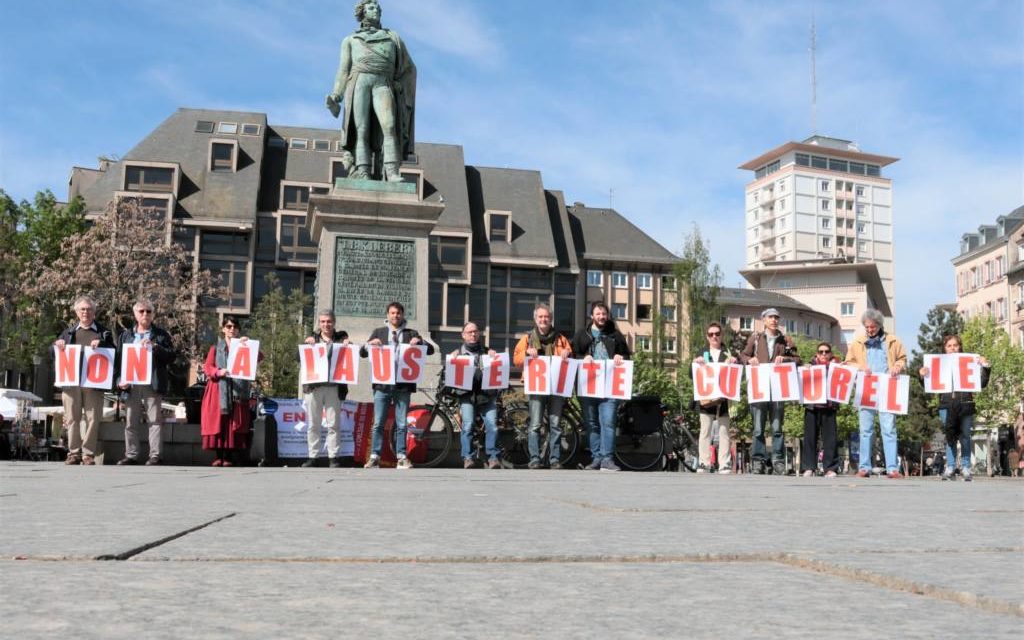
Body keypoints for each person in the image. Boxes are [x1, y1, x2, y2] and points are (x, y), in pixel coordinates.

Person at [326, 0, 416, 182]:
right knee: (362, 129)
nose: (377, 10)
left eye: (378, 8)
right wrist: (337, 94)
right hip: (360, 82)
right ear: (363, 12)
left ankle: (392, 172)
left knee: (389, 126)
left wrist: (400, 83)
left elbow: (409, 68)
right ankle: (363, 172)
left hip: (383, 83)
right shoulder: (350, 40)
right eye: (372, 7)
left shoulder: (393, 38)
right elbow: (343, 70)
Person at [361, 301, 433, 469]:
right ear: (388, 315)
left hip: (402, 385)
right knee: (378, 423)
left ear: (402, 315)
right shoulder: (378, 332)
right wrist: (369, 344)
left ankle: (402, 456)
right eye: (392, 313)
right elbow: (362, 353)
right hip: (382, 385)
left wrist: (420, 342)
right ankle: (374, 456)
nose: (395, 316)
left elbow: (429, 350)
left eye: (398, 313)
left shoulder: (411, 333)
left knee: (401, 424)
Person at [918, 334, 991, 482]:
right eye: (949, 346)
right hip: (946, 405)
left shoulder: (968, 363)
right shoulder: (939, 365)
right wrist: (922, 375)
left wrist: (985, 367)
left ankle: (965, 467)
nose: (952, 348)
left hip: (965, 404)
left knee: (965, 436)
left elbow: (982, 383)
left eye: (955, 345)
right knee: (950, 436)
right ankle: (950, 467)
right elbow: (928, 385)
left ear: (960, 347)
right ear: (945, 349)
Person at [845, 308, 907, 479]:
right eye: (867, 327)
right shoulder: (857, 342)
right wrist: (860, 367)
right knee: (865, 430)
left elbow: (902, 358)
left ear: (879, 325)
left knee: (889, 428)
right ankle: (864, 467)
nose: (870, 330)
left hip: (888, 387)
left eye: (873, 327)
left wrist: (897, 366)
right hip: (867, 387)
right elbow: (848, 362)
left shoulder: (893, 340)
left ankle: (892, 468)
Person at [739, 308, 802, 475]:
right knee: (758, 428)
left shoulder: (785, 340)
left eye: (776, 317)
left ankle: (778, 461)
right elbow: (742, 356)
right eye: (771, 317)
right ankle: (758, 461)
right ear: (764, 320)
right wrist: (750, 360)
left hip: (778, 389)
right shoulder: (756, 338)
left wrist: (786, 358)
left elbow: (798, 360)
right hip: (759, 388)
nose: (774, 320)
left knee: (777, 428)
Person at [54, 296, 116, 465]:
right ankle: (73, 453)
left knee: (93, 419)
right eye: (82, 309)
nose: (85, 312)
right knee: (72, 418)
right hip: (71, 382)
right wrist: (57, 344)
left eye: (89, 309)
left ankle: (88, 454)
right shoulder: (68, 333)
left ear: (94, 312)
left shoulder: (104, 332)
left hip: (94, 383)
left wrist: (102, 343)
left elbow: (114, 353)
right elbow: (53, 353)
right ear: (76, 312)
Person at [115, 299, 176, 466]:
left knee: (154, 420)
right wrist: (119, 381)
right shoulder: (126, 335)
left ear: (153, 314)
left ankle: (155, 455)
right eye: (141, 311)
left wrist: (155, 346)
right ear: (135, 314)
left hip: (152, 382)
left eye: (148, 311)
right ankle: (131, 455)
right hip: (131, 384)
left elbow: (172, 356)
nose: (145, 314)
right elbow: (118, 362)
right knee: (130, 421)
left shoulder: (161, 334)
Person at [513, 304, 573, 469]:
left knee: (555, 425)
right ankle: (534, 459)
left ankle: (554, 460)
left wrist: (567, 353)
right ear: (535, 319)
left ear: (551, 319)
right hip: (537, 386)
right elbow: (516, 359)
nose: (543, 319)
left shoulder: (561, 338)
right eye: (540, 317)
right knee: (535, 425)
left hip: (556, 386)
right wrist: (526, 353)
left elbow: (570, 356)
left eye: (546, 317)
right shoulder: (527, 339)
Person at [572, 302, 631, 472]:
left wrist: (621, 357)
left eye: (604, 314)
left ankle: (607, 459)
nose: (601, 317)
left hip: (610, 386)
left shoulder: (616, 335)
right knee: (591, 423)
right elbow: (573, 355)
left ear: (608, 316)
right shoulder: (581, 335)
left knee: (608, 422)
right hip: (587, 385)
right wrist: (583, 358)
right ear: (592, 316)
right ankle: (596, 458)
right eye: (598, 314)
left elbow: (626, 355)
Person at [201, 316, 257, 467]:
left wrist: (249, 344)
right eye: (229, 326)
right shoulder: (215, 348)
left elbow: (259, 357)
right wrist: (218, 372)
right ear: (223, 329)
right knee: (219, 421)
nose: (232, 329)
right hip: (218, 389)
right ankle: (218, 456)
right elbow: (207, 367)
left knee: (233, 423)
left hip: (237, 391)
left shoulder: (243, 346)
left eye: (235, 327)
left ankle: (228, 457)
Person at [301, 310, 350, 469]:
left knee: (333, 424)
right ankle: (313, 457)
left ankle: (333, 457)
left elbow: (350, 356)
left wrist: (348, 344)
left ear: (334, 322)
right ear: (319, 323)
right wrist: (306, 344)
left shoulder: (341, 338)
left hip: (334, 387)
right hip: (314, 387)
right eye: (323, 321)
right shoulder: (312, 338)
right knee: (313, 424)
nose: (326, 324)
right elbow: (298, 357)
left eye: (329, 321)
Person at [451, 322, 502, 469]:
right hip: (466, 395)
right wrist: (452, 360)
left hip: (486, 395)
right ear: (463, 335)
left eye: (475, 331)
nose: (473, 334)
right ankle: (468, 458)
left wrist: (494, 357)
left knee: (492, 425)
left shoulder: (487, 352)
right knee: (468, 426)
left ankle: (493, 458)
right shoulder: (457, 354)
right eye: (470, 332)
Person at [691, 322, 737, 474]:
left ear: (721, 335)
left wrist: (735, 363)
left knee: (724, 431)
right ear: (707, 336)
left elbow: (738, 373)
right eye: (711, 334)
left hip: (724, 398)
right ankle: (704, 462)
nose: (714, 336)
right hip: (706, 398)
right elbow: (692, 374)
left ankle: (724, 463)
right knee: (705, 431)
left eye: (717, 333)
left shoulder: (729, 353)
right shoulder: (701, 352)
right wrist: (695, 363)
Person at [801, 342, 841, 478]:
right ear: (817, 354)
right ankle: (809, 467)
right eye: (821, 352)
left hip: (829, 407)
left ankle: (830, 468)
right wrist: (805, 368)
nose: (824, 354)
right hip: (812, 407)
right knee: (809, 438)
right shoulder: (810, 366)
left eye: (826, 351)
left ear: (831, 354)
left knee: (830, 439)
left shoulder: (837, 367)